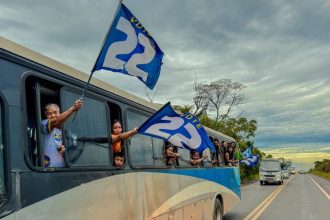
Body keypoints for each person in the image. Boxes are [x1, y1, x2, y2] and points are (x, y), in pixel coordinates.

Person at [42, 99, 83, 168]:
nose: (53, 115)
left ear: (59, 113)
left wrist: (63, 150)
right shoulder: (43, 124)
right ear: (45, 114)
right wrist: (73, 108)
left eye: (55, 113)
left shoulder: (63, 131)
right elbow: (55, 122)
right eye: (49, 113)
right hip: (47, 168)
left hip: (61, 168)